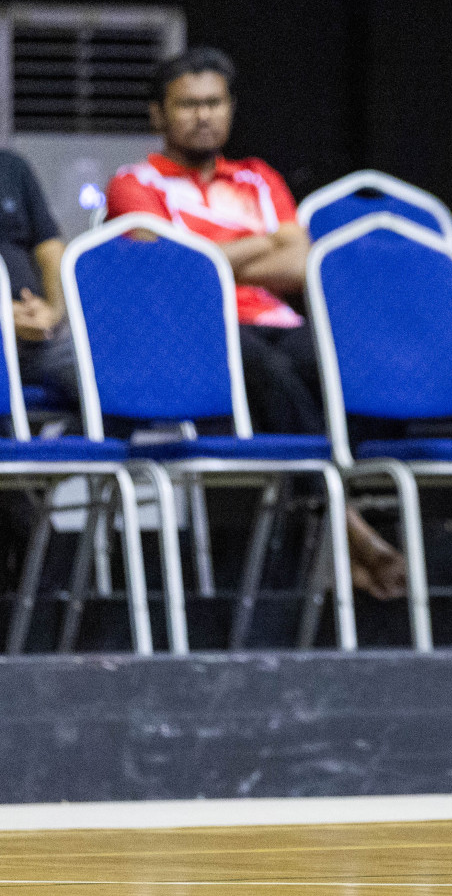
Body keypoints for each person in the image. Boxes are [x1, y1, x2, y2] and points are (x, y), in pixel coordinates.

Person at [107, 47, 406, 600]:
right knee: (261, 365)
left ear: (231, 108)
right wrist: (259, 245)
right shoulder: (133, 183)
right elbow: (175, 276)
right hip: (193, 334)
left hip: (274, 319)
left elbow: (299, 262)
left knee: (342, 359)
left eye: (214, 102)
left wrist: (215, 254)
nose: (203, 115)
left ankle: (333, 512)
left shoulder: (258, 178)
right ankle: (343, 518)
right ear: (157, 115)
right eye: (188, 104)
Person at [0, 151, 74, 406]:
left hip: (37, 329)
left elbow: (50, 247)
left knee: (104, 363)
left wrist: (53, 312)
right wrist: (4, 314)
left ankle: (76, 444)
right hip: (6, 323)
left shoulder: (11, 167)